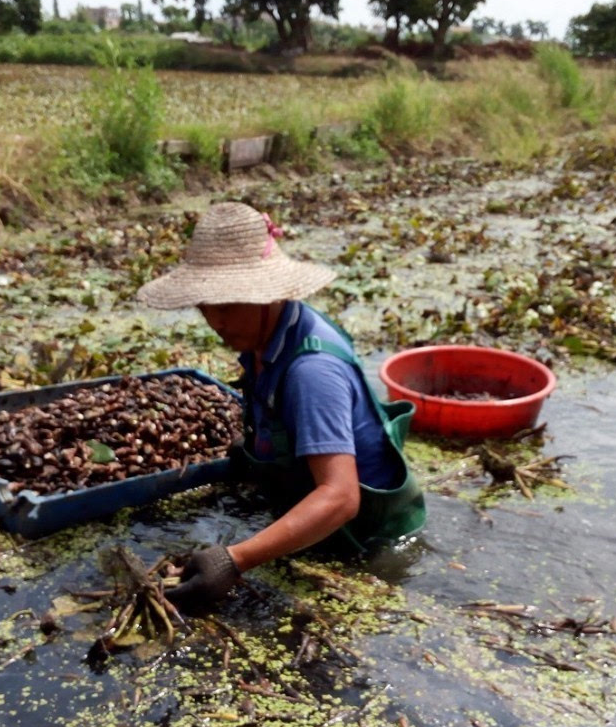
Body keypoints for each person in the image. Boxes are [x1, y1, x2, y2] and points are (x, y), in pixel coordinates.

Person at [136, 202, 426, 610]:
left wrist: (234, 559)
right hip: (312, 517)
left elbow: (341, 498)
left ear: (267, 295)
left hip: (362, 543)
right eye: (205, 305)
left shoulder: (311, 371)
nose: (215, 321)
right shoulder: (266, 342)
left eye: (227, 304)